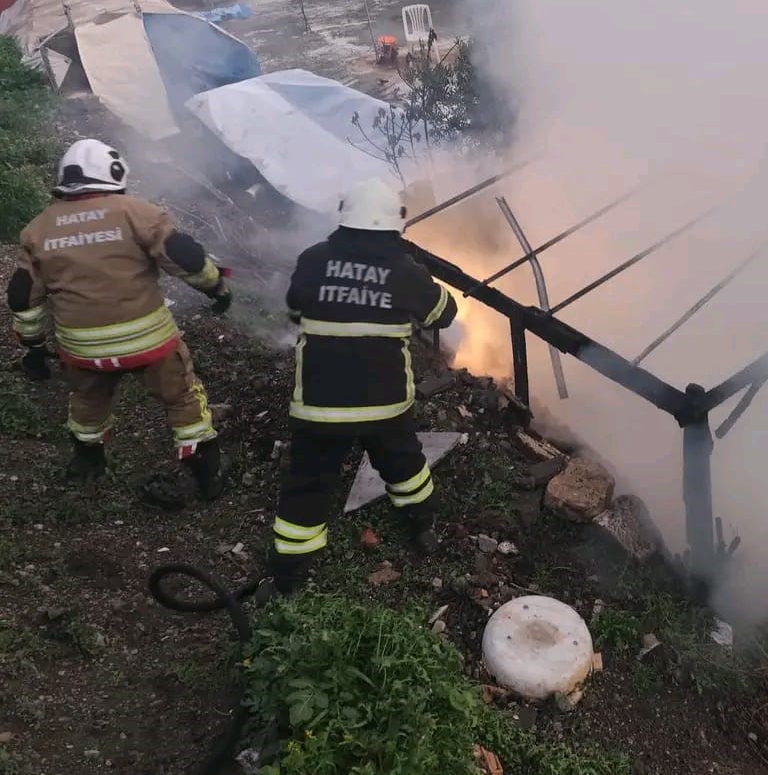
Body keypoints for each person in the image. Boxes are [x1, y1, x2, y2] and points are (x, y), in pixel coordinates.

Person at [6, 138, 232, 497]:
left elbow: (23, 297)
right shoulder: (138, 213)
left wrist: (33, 346)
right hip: (150, 343)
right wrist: (216, 287)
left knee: (86, 400)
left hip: (82, 349)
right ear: (115, 173)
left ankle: (87, 460)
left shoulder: (38, 230)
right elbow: (186, 260)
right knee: (182, 396)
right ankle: (205, 470)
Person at [270, 177, 457, 593]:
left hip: (321, 404)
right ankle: (422, 528)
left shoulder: (313, 259)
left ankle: (290, 576)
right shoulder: (406, 272)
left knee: (309, 482)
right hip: (385, 405)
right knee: (405, 467)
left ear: (344, 216)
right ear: (396, 223)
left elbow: (295, 305)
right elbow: (443, 315)